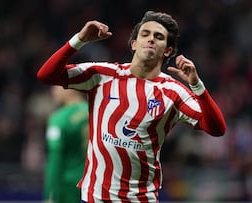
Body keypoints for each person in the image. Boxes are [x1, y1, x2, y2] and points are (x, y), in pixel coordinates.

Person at [37, 11, 226, 203]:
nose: (151, 39)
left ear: (167, 50)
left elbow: (217, 129)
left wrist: (197, 86)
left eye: (158, 36)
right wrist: (80, 40)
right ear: (134, 44)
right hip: (94, 198)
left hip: (140, 199)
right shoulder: (103, 75)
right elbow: (47, 75)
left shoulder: (173, 92)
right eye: (145, 34)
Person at [44, 86, 89, 203]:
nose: (52, 91)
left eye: (56, 86)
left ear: (70, 88)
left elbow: (55, 160)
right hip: (95, 184)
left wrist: (50, 194)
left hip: (68, 186)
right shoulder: (97, 112)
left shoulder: (58, 119)